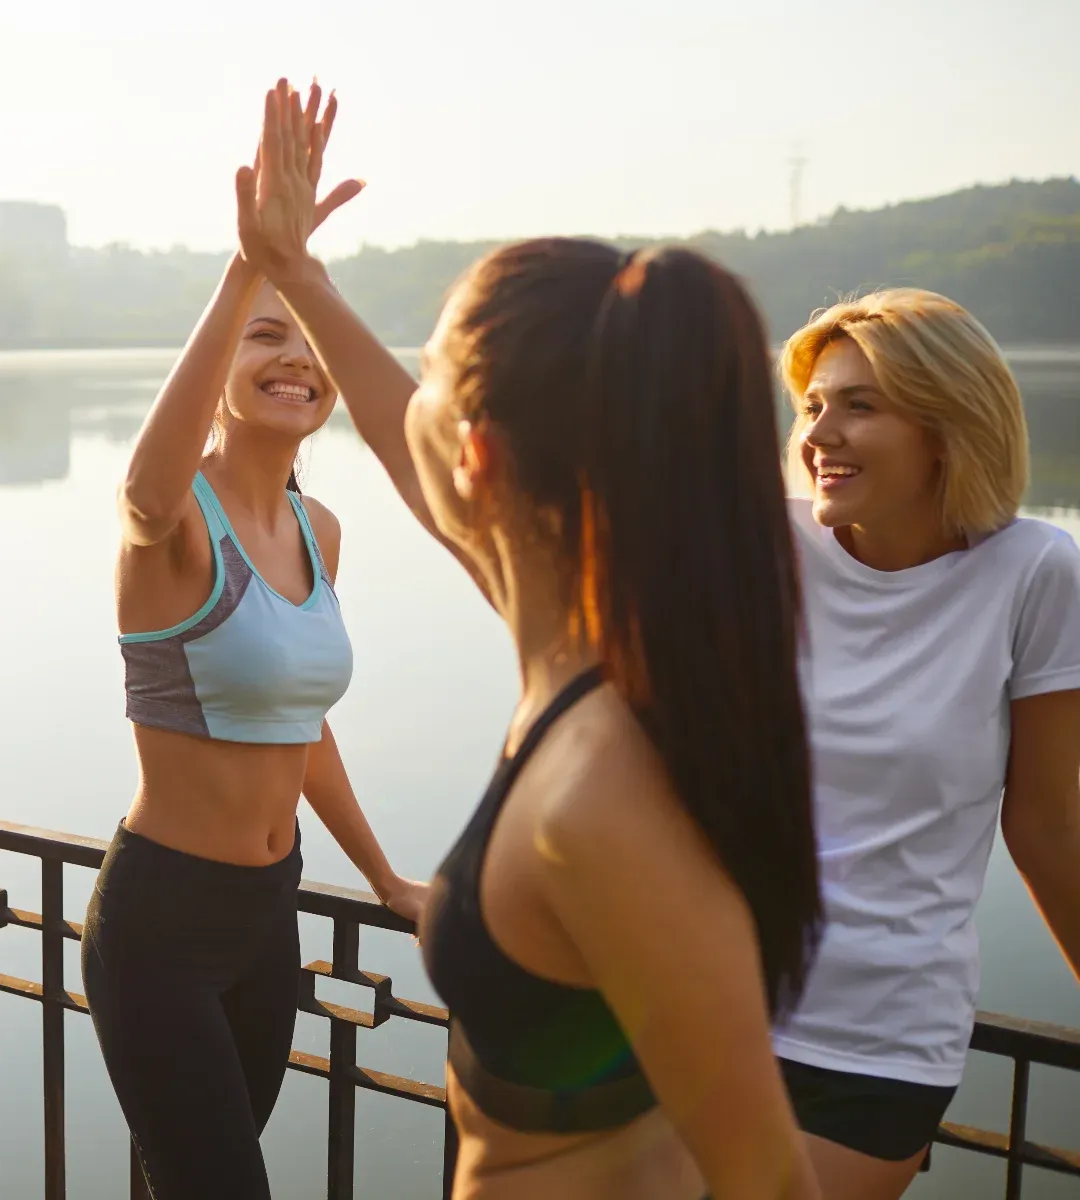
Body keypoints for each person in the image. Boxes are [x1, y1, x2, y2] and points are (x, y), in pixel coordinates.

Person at [234, 81, 823, 1199]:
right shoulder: (581, 648)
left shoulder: (608, 794)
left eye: (436, 386)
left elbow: (770, 1182)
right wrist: (298, 274)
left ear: (487, 463)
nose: (410, 407)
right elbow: (413, 459)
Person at [80, 86, 424, 1200]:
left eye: (308, 336)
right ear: (224, 366)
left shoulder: (319, 531)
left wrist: (385, 878)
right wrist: (249, 270)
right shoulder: (175, 524)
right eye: (263, 339)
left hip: (269, 914)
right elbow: (142, 483)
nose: (296, 359)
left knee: (179, 1183)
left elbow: (302, 728)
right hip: (161, 927)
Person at [769, 290, 1080, 1200]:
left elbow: (1048, 828)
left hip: (878, 1044)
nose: (820, 432)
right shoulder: (763, 547)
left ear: (949, 424)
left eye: (860, 405)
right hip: (691, 1012)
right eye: (814, 406)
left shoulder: (1034, 573)